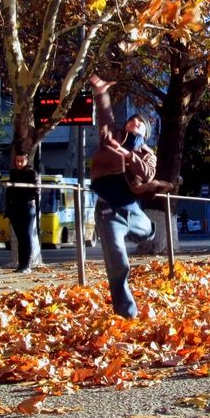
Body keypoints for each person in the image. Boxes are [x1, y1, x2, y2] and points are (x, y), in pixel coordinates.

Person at [88, 74, 171, 318]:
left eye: (139, 124)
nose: (134, 124)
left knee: (146, 230)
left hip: (132, 210)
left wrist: (129, 156)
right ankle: (127, 313)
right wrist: (101, 93)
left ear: (147, 132)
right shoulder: (111, 140)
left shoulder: (148, 154)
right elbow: (105, 120)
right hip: (108, 211)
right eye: (131, 121)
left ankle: (148, 231)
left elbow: (146, 175)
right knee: (118, 264)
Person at [5, 151, 40, 273]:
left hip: (27, 207)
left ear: (26, 161)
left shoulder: (31, 173)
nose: (19, 163)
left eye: (21, 161)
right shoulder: (13, 173)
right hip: (15, 208)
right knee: (20, 237)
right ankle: (21, 265)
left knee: (26, 236)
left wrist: (27, 200)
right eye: (17, 161)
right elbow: (9, 192)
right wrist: (8, 208)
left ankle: (26, 265)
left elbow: (36, 191)